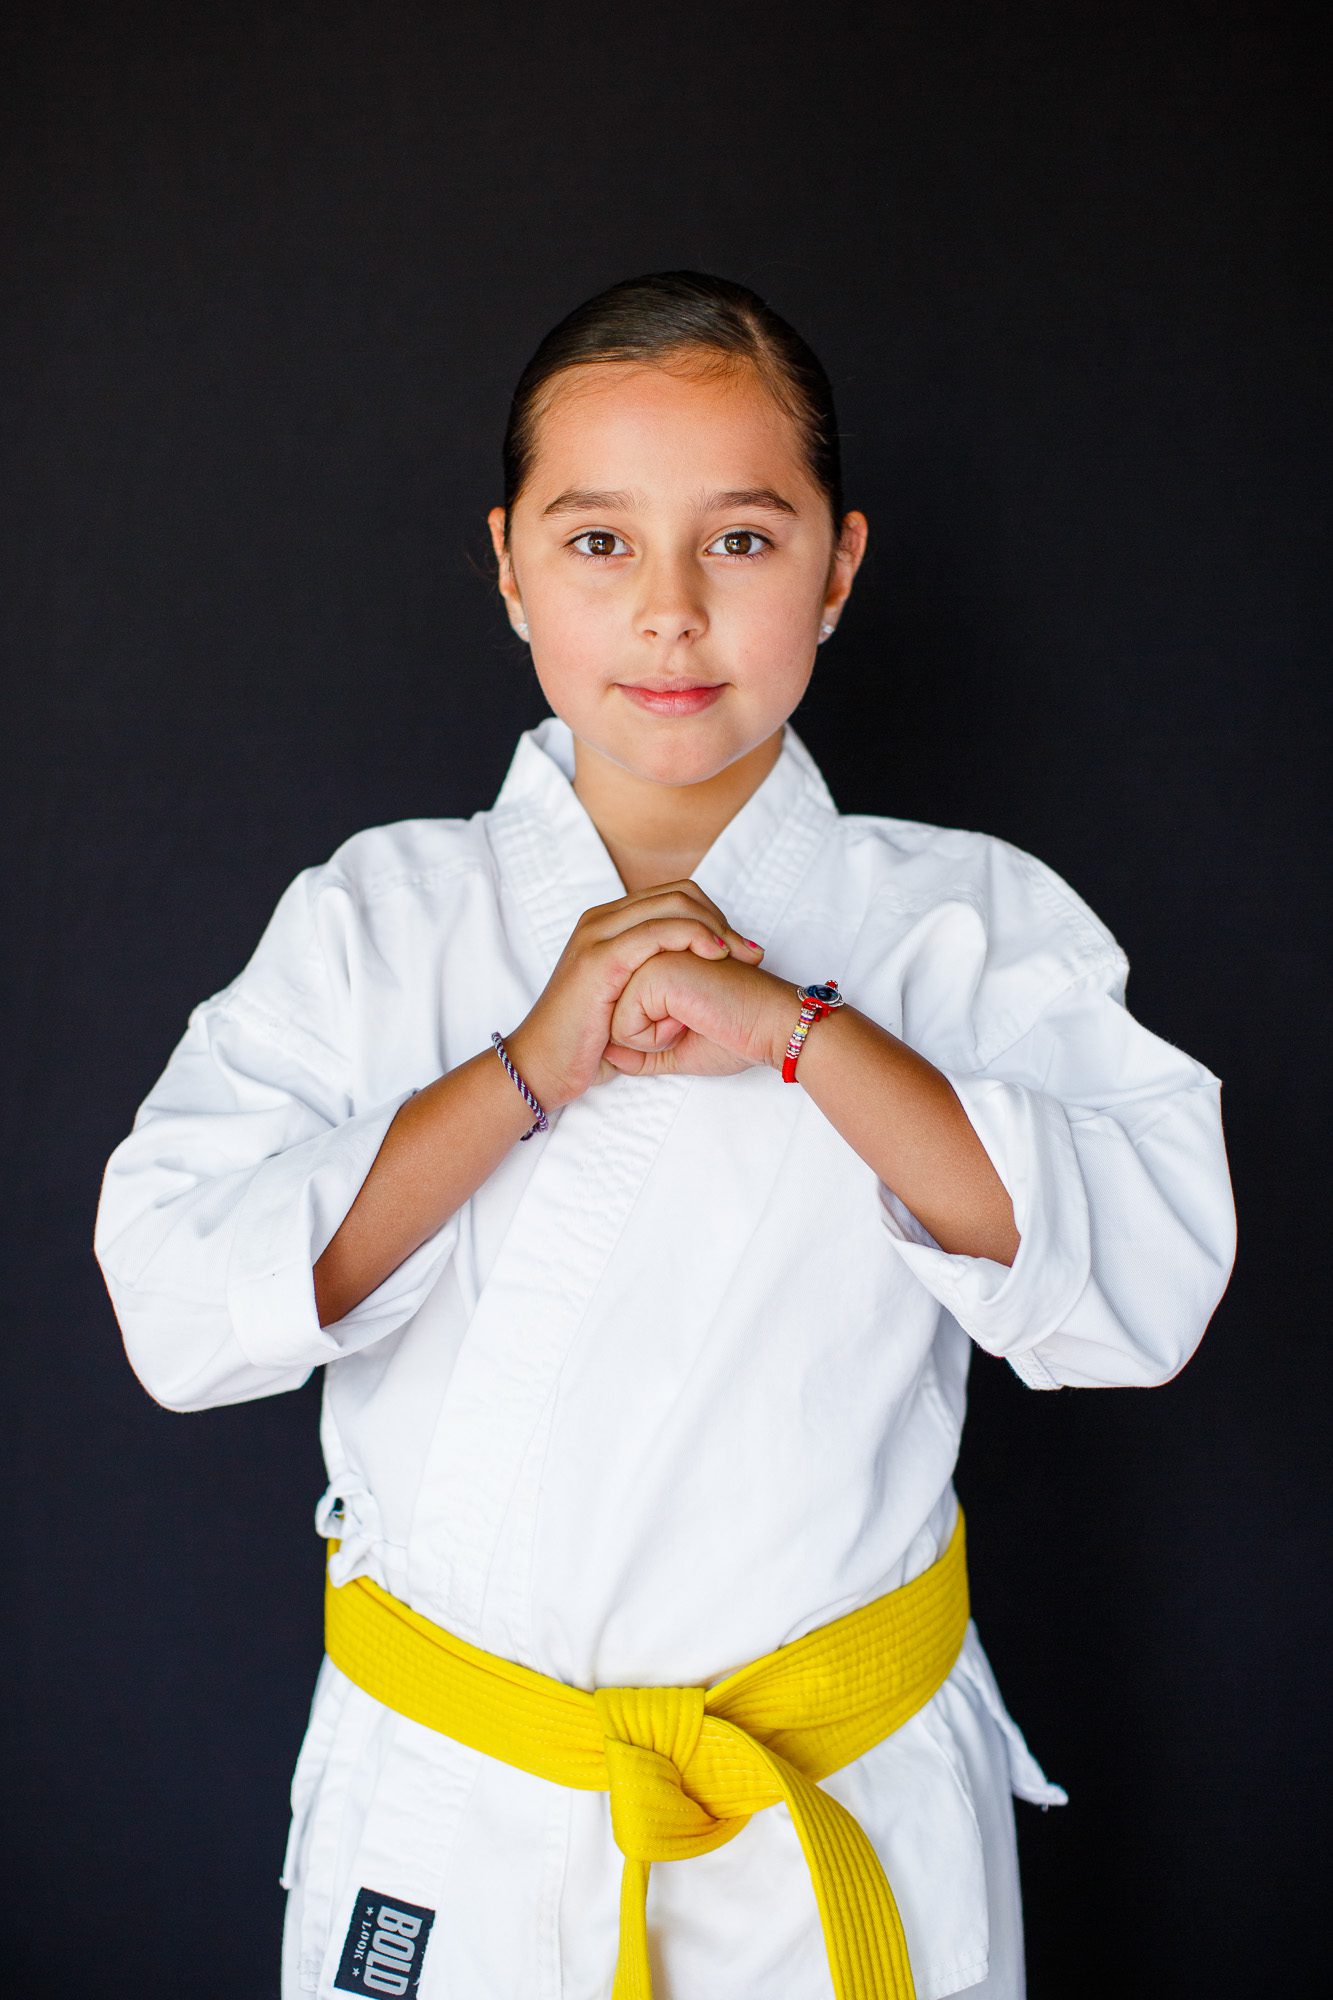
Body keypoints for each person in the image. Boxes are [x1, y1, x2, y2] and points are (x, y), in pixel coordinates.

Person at [93, 270, 1237, 2000]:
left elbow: (1144, 1282)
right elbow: (178, 1304)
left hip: (828, 1803)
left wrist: (800, 1035)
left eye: (744, 541)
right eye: (600, 542)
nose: (672, 616)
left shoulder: (962, 925)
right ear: (507, 564)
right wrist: (526, 1070)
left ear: (840, 566)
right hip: (462, 1810)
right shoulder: (377, 919)